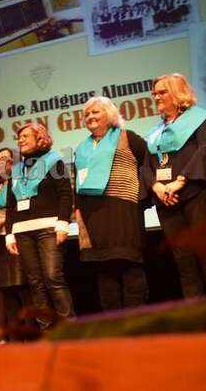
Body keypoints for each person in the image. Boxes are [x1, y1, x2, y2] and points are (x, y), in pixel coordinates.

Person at [144, 74, 206, 298]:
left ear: (177, 92)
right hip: (167, 201)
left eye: (162, 92)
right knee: (185, 264)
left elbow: (205, 151)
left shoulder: (200, 120)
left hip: (198, 195)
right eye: (154, 93)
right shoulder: (156, 132)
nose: (156, 97)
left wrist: (179, 181)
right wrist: (157, 187)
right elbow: (146, 165)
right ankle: (197, 316)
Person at [74, 97, 150, 310]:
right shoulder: (81, 148)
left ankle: (136, 324)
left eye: (95, 112)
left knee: (129, 265)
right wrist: (77, 212)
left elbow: (149, 166)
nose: (90, 116)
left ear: (110, 114)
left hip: (123, 210)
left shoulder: (128, 137)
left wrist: (143, 198)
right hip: (93, 215)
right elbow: (77, 181)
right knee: (104, 271)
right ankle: (114, 324)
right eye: (87, 114)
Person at [6, 123, 75, 328]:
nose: (20, 140)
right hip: (22, 231)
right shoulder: (16, 170)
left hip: (48, 228)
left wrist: (63, 222)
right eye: (19, 137)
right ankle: (46, 331)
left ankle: (70, 329)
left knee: (53, 277)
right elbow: (10, 205)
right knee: (35, 283)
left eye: (25, 136)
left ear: (40, 138)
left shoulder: (54, 162)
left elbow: (65, 194)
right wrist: (9, 234)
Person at [0, 147, 30, 342]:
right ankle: (14, 341)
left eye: (6, 159)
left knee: (22, 289)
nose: (1, 162)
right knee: (4, 291)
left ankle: (31, 338)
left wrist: (2, 221)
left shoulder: (19, 182)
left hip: (14, 238)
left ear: (14, 162)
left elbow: (21, 207)